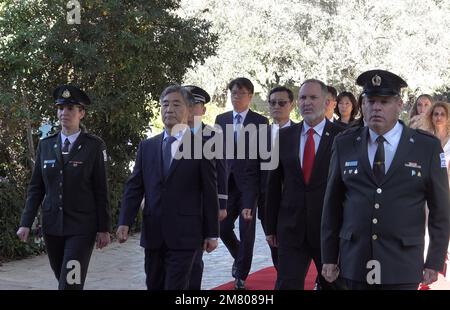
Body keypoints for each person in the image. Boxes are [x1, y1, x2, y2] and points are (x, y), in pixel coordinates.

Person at [321, 69, 450, 290]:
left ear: (399, 105)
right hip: (355, 259)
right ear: (362, 105)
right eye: (370, 101)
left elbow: (441, 209)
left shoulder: (425, 147)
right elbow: (331, 204)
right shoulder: (345, 143)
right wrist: (329, 256)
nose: (376, 107)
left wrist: (434, 260)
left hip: (403, 262)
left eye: (384, 101)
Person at [116, 85, 219, 290]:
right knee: (154, 284)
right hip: (154, 234)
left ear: (189, 110)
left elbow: (209, 191)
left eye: (176, 104)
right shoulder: (147, 146)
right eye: (165, 104)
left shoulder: (201, 147)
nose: (169, 109)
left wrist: (212, 233)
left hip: (185, 235)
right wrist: (124, 221)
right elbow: (135, 187)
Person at [17, 85, 111, 290]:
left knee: (70, 282)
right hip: (52, 227)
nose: (64, 113)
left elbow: (100, 189)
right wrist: (26, 222)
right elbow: (36, 188)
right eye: (60, 108)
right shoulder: (46, 145)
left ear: (81, 113)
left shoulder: (93, 146)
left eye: (70, 108)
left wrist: (104, 228)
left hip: (81, 228)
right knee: (63, 277)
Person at [264, 79, 344, 290]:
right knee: (286, 284)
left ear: (327, 102)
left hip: (329, 231)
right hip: (290, 228)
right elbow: (273, 185)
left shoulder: (342, 137)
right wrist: (270, 226)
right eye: (303, 97)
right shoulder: (283, 137)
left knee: (333, 285)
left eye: (313, 97)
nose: (307, 102)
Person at [215, 77, 269, 290]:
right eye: (233, 93)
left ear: (250, 96)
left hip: (249, 185)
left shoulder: (260, 122)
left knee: (247, 229)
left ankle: (241, 274)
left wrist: (260, 190)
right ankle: (240, 256)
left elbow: (264, 158)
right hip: (227, 185)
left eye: (241, 93)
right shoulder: (221, 119)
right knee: (222, 226)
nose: (236, 97)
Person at [241, 86, 295, 286]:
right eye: (272, 103)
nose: (277, 107)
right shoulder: (260, 135)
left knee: (292, 252)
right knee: (275, 249)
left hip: (295, 205)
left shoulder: (300, 134)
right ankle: (284, 279)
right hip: (267, 206)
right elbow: (251, 172)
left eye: (282, 103)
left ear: (291, 105)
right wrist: (248, 203)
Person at [183, 84, 228, 290]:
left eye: (196, 104)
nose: (191, 108)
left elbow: (221, 170)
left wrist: (221, 203)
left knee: (194, 258)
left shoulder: (212, 135)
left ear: (203, 110)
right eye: (187, 103)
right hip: (174, 208)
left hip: (201, 206)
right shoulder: (170, 134)